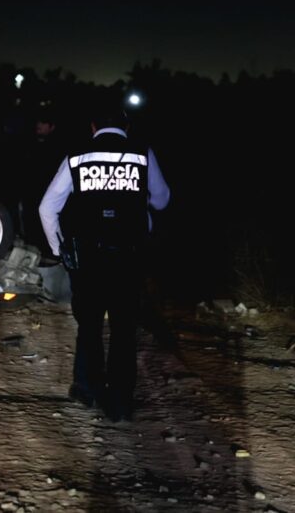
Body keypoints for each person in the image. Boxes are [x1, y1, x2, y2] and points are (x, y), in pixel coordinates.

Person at [38, 102, 170, 421]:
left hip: (88, 256)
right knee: (124, 327)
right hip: (129, 254)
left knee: (90, 324)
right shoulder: (142, 152)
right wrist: (143, 214)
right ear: (126, 127)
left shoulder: (77, 155)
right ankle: (121, 401)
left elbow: (47, 208)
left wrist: (59, 250)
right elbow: (163, 198)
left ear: (93, 127)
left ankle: (87, 388)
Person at [21, 111, 64, 254]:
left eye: (43, 123)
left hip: (48, 195)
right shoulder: (30, 143)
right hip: (31, 195)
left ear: (52, 127)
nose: (39, 126)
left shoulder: (57, 147)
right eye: (38, 123)